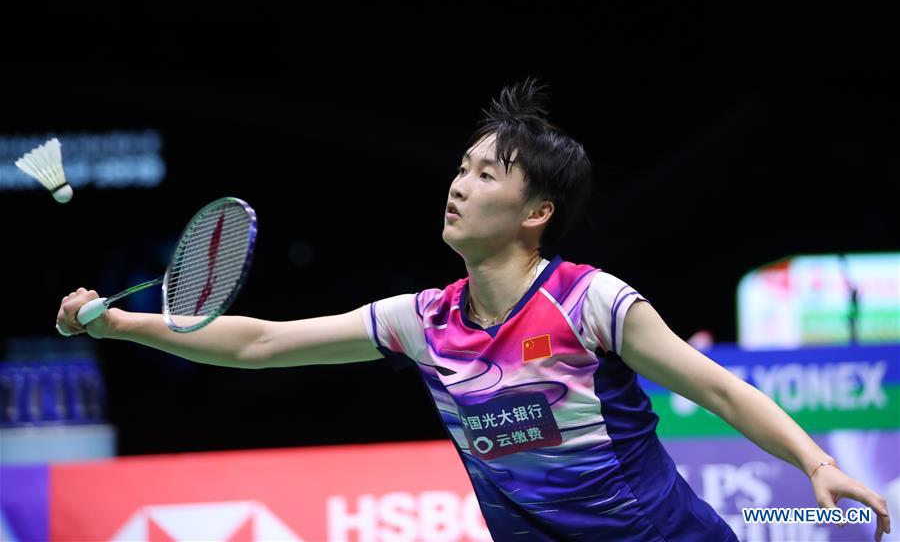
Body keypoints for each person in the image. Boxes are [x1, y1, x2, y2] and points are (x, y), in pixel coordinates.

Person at [56, 79, 891, 541]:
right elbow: (262, 344)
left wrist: (814, 463)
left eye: (487, 175)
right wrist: (124, 325)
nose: (459, 184)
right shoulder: (425, 321)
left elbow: (719, 389)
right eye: (462, 167)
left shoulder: (590, 302)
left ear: (537, 213)